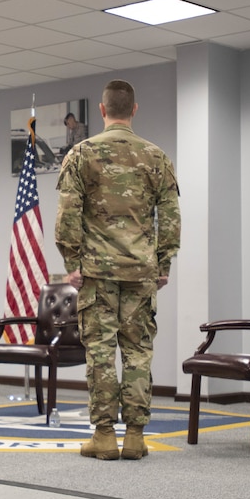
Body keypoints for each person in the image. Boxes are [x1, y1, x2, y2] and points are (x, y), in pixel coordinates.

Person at [55, 78, 180, 461]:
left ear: (103, 110)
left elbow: (67, 215)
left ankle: (104, 436)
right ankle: (136, 437)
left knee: (100, 354)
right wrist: (164, 262)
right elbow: (171, 215)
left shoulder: (80, 154)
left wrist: (71, 263)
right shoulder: (156, 156)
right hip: (141, 271)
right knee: (139, 353)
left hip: (96, 273)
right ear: (135, 110)